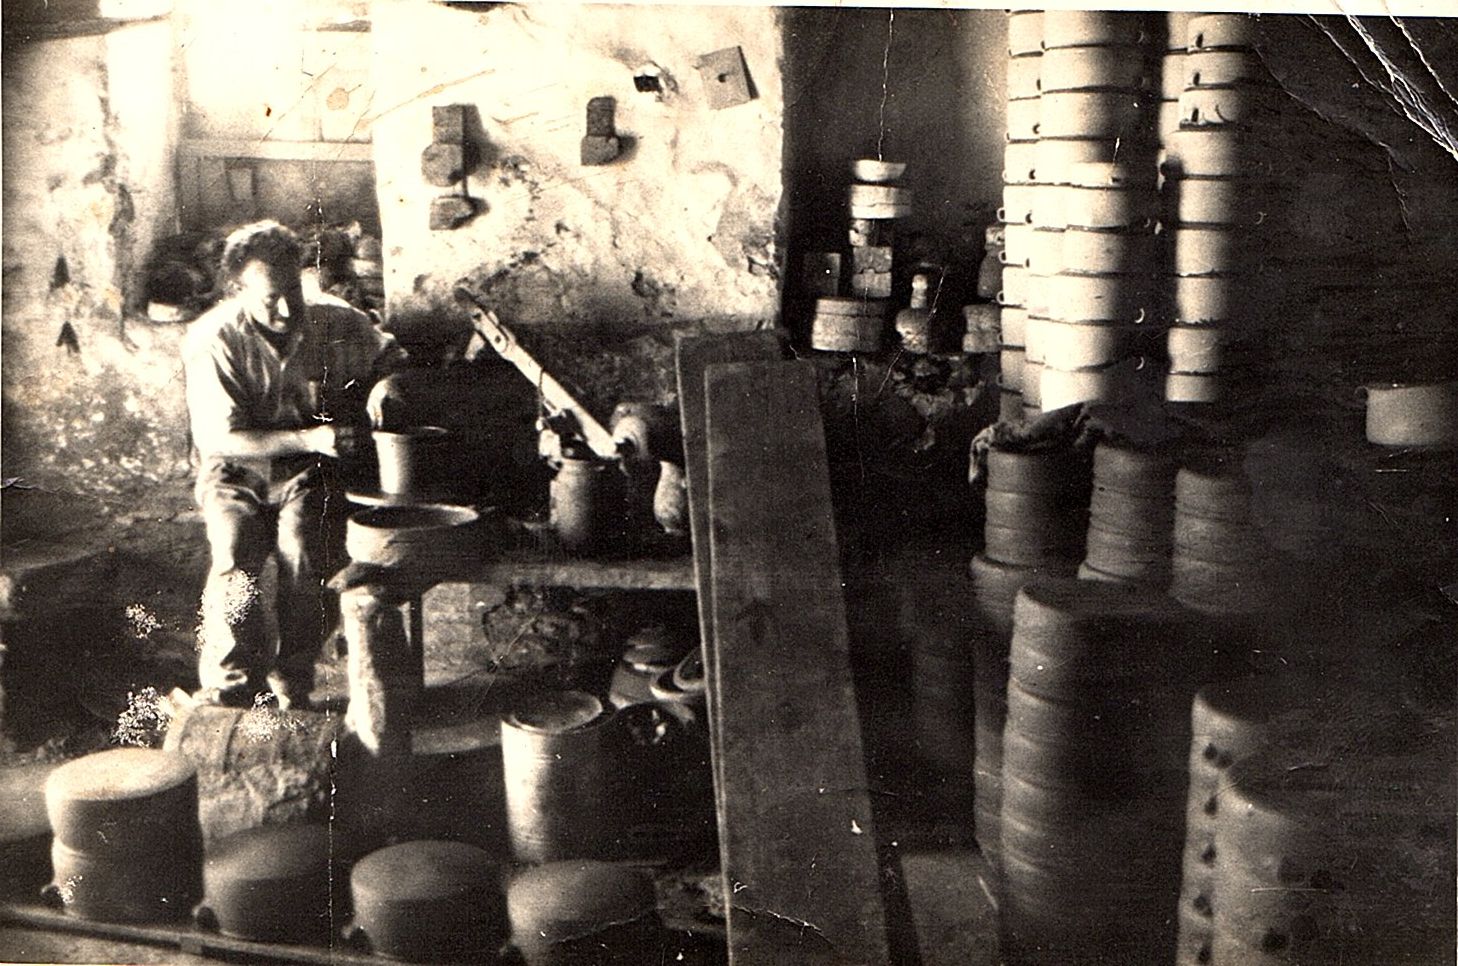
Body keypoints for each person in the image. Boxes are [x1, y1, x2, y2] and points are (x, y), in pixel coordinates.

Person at [182, 220, 407, 709]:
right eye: (269, 300)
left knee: (305, 552)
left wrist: (387, 386)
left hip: (308, 468)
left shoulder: (336, 322)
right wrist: (309, 435)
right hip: (235, 468)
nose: (286, 311)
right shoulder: (214, 340)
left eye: (293, 294)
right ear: (237, 290)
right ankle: (233, 686)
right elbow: (220, 436)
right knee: (235, 554)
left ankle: (294, 679)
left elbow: (391, 357)